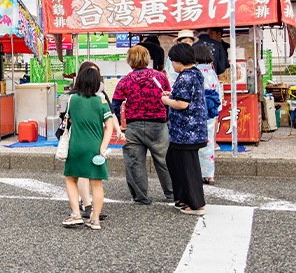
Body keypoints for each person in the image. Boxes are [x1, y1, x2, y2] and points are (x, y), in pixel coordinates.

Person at [111, 45, 174, 205]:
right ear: (147, 59)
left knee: (135, 162)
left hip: (134, 126)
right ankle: (173, 193)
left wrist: (120, 123)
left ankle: (141, 197)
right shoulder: (159, 77)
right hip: (158, 125)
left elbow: (115, 105)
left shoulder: (125, 80)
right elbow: (169, 99)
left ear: (129, 61)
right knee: (165, 161)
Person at [59, 61, 121, 220]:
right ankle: (94, 219)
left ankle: (77, 213)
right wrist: (104, 146)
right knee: (96, 183)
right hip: (95, 145)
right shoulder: (101, 100)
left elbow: (67, 121)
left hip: (76, 146)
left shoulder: (71, 99)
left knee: (72, 177)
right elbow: (109, 126)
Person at [161, 43, 208, 216]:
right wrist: (171, 96)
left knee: (188, 166)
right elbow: (183, 98)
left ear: (179, 61)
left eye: (173, 61)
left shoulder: (185, 77)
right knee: (174, 161)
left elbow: (182, 104)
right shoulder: (195, 74)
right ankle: (183, 197)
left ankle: (196, 204)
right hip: (190, 130)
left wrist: (166, 101)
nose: (172, 64)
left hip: (186, 132)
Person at [194, 45, 222, 186]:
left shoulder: (195, 72)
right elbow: (218, 93)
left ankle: (199, 172)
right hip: (210, 111)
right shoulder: (212, 73)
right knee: (209, 142)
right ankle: (210, 175)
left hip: (198, 111)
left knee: (197, 142)